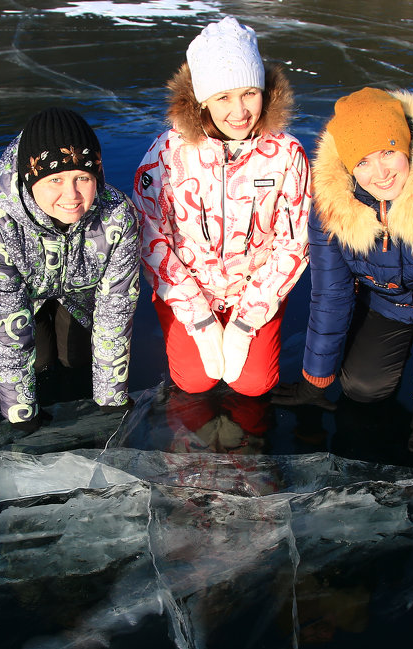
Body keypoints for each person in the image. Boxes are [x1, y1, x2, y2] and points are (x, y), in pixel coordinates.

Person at [274, 87, 413, 459]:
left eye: (388, 152)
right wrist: (315, 381)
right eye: (362, 162)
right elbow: (331, 294)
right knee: (362, 390)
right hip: (389, 298)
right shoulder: (329, 206)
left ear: (408, 147)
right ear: (348, 167)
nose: (380, 173)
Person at [132, 16, 311, 398]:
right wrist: (197, 317)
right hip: (190, 289)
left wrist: (247, 322)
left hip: (254, 291)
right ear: (202, 100)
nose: (239, 110)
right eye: (223, 97)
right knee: (194, 382)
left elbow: (293, 243)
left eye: (249, 92)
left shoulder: (286, 153)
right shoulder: (166, 154)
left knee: (253, 385)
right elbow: (150, 238)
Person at [0, 107, 140, 430]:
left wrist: (111, 399)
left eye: (82, 178)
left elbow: (115, 309)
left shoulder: (118, 218)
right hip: (28, 294)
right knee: (39, 359)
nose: (71, 195)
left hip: (79, 288)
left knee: (75, 358)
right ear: (32, 180)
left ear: (97, 177)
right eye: (55, 180)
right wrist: (21, 415)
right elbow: (9, 331)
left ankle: (64, 315)